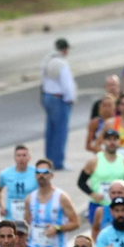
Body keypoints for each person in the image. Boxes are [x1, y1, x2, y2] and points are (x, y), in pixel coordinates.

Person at [25, 161, 82, 247]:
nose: (41, 175)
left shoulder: (61, 197)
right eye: (38, 172)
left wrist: (57, 229)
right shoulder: (30, 198)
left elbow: (76, 222)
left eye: (45, 172)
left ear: (51, 175)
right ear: (35, 175)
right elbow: (26, 223)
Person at [41, 39, 77, 170]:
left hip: (48, 96)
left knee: (50, 129)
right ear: (64, 49)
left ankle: (48, 159)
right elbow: (67, 84)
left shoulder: (47, 61)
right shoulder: (62, 64)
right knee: (60, 131)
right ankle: (58, 162)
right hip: (59, 98)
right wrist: (70, 99)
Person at [0, 145, 39, 224]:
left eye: (24, 155)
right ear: (14, 158)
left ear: (29, 157)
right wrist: (2, 207)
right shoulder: (5, 174)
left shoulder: (36, 173)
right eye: (18, 155)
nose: (21, 158)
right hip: (11, 216)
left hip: (30, 214)